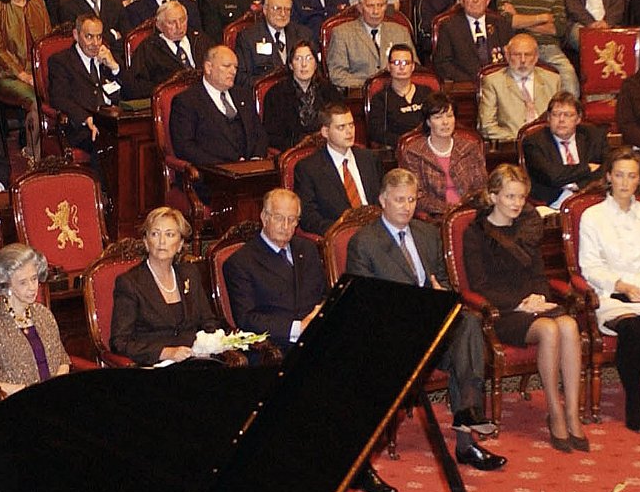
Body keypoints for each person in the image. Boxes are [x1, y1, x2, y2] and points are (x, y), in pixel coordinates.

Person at [345, 169, 506, 470]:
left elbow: (444, 283)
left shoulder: (427, 234)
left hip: (432, 328)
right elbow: (364, 304)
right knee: (465, 335)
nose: (406, 207)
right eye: (398, 200)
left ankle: (467, 428)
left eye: (410, 199)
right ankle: (468, 434)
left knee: (468, 324)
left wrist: (440, 293)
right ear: (382, 200)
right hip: (394, 335)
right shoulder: (364, 242)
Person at [462, 164, 586, 451]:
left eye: (521, 197)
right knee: (548, 330)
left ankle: (572, 413)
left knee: (568, 324)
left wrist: (539, 298)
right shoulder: (476, 233)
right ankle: (554, 412)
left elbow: (539, 275)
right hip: (501, 312)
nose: (517, 204)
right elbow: (478, 286)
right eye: (510, 197)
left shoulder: (527, 227)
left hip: (531, 303)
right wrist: (519, 304)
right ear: (493, 197)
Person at [581, 150, 640, 434]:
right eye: (619, 175)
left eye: (632, 176)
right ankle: (634, 400)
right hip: (611, 292)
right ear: (609, 177)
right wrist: (623, 287)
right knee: (633, 328)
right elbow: (590, 267)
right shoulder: (592, 216)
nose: (625, 182)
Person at [110, 206, 226, 365]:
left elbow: (208, 321)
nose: (162, 241)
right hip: (156, 365)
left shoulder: (190, 274)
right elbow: (120, 342)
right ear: (146, 241)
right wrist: (165, 352)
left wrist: (214, 342)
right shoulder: (130, 283)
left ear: (180, 244)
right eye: (155, 234)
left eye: (170, 234)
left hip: (196, 361)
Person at [224, 187, 328, 351]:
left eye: (292, 219)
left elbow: (324, 294)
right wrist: (298, 328)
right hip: (277, 346)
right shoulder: (241, 262)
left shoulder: (308, 249)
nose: (286, 226)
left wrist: (318, 313)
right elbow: (246, 318)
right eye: (279, 218)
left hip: (319, 337)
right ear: (264, 218)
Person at [0, 243, 70, 394]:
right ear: (7, 285)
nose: (32, 287)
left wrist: (54, 388)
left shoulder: (44, 314)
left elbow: (63, 360)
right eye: (23, 282)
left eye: (34, 279)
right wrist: (28, 392)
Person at [0, 0, 52, 157]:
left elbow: (47, 40)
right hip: (10, 74)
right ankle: (34, 154)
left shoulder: (37, 3)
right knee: (34, 99)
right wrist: (22, 74)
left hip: (38, 70)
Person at [168, 45, 267, 168]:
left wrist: (256, 159)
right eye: (226, 66)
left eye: (235, 67)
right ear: (209, 68)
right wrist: (223, 167)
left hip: (251, 170)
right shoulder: (187, 101)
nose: (233, 71)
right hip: (214, 174)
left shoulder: (243, 95)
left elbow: (259, 133)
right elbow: (185, 147)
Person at [293, 103, 382, 235]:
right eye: (341, 127)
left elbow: (383, 197)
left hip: (377, 230)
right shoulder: (309, 168)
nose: (349, 132)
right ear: (325, 132)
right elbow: (308, 218)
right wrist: (341, 231)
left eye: (351, 125)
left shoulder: (369, 158)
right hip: (341, 236)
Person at [45, 14, 124, 157]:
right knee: (106, 145)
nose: (95, 43)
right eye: (89, 37)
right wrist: (85, 117)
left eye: (99, 37)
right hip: (82, 127)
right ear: (76, 35)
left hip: (113, 122)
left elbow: (129, 91)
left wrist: (114, 67)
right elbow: (58, 98)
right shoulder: (61, 61)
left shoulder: (107, 58)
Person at [399, 93, 485, 222]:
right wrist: (448, 210)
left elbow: (481, 187)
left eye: (449, 116)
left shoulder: (470, 148)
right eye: (438, 117)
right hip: (434, 219)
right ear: (428, 122)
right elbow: (417, 195)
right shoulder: (413, 153)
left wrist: (464, 210)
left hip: (471, 215)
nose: (445, 122)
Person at [521, 92, 603, 208]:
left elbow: (604, 169)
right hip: (553, 200)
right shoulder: (534, 142)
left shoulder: (593, 135)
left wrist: (579, 186)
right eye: (556, 114)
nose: (561, 120)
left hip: (590, 195)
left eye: (568, 115)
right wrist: (587, 168)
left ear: (578, 119)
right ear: (548, 118)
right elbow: (553, 176)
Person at [329, 0, 414, 93]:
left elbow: (414, 66)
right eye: (370, 6)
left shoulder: (400, 32)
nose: (376, 11)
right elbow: (336, 75)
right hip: (360, 96)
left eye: (380, 5)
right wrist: (372, 85)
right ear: (360, 7)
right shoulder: (342, 33)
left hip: (397, 93)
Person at [475, 34, 560, 141]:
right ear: (507, 55)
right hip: (512, 144)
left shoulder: (552, 79)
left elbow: (560, 118)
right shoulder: (493, 81)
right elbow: (486, 126)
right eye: (517, 55)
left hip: (548, 144)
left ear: (536, 57)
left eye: (528, 54)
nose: (523, 60)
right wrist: (522, 138)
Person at [125, 0, 211, 101]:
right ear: (159, 26)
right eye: (171, 23)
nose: (179, 27)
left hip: (205, 100)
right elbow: (132, 87)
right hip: (171, 103)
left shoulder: (201, 40)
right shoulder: (148, 48)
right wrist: (164, 87)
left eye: (182, 20)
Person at [433, 0, 511, 84]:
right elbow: (442, 63)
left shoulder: (501, 24)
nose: (475, 0)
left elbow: (511, 57)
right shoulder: (449, 26)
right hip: (464, 86)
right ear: (462, 0)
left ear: (487, 1)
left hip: (499, 85)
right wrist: (473, 81)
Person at [234, 0, 311, 87]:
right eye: (277, 8)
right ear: (265, 10)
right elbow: (241, 78)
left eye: (287, 9)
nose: (283, 14)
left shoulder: (303, 34)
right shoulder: (248, 37)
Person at [262, 41, 326, 152]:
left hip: (325, 150)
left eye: (309, 58)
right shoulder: (275, 94)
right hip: (291, 152)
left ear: (316, 64)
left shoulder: (329, 91)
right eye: (298, 59)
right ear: (291, 65)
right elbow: (271, 136)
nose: (304, 64)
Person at [366, 45, 430, 148]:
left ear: (413, 66)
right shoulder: (381, 98)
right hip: (398, 148)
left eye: (406, 63)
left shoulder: (427, 93)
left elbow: (436, 121)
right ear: (388, 66)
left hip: (427, 146)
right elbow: (377, 133)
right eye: (396, 63)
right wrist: (407, 142)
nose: (401, 67)